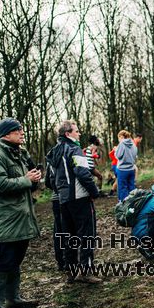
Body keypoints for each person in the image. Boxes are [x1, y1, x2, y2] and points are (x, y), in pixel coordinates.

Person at [0, 118, 40, 308]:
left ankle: (13, 299)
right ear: (6, 134)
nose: (22, 133)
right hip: (7, 218)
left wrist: (33, 178)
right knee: (5, 260)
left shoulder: (18, 154)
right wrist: (26, 180)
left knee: (16, 259)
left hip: (21, 216)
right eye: (17, 130)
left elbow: (26, 180)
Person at [48, 120, 101, 283]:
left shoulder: (52, 153)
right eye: (76, 131)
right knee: (87, 234)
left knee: (68, 235)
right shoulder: (74, 149)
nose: (79, 134)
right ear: (68, 134)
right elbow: (83, 173)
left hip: (63, 200)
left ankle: (71, 272)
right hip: (79, 198)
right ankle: (86, 272)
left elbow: (49, 180)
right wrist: (94, 192)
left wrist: (61, 191)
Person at [45, 142, 65, 271]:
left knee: (58, 230)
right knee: (69, 229)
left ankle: (61, 261)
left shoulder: (51, 157)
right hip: (67, 198)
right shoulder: (70, 152)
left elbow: (47, 181)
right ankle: (69, 261)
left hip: (55, 199)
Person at [115, 130, 138, 201]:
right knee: (131, 187)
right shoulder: (133, 144)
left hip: (122, 170)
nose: (118, 140)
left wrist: (116, 150)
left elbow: (118, 156)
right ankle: (133, 202)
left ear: (121, 136)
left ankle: (124, 205)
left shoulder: (122, 144)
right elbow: (135, 156)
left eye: (118, 138)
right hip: (131, 169)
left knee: (122, 188)